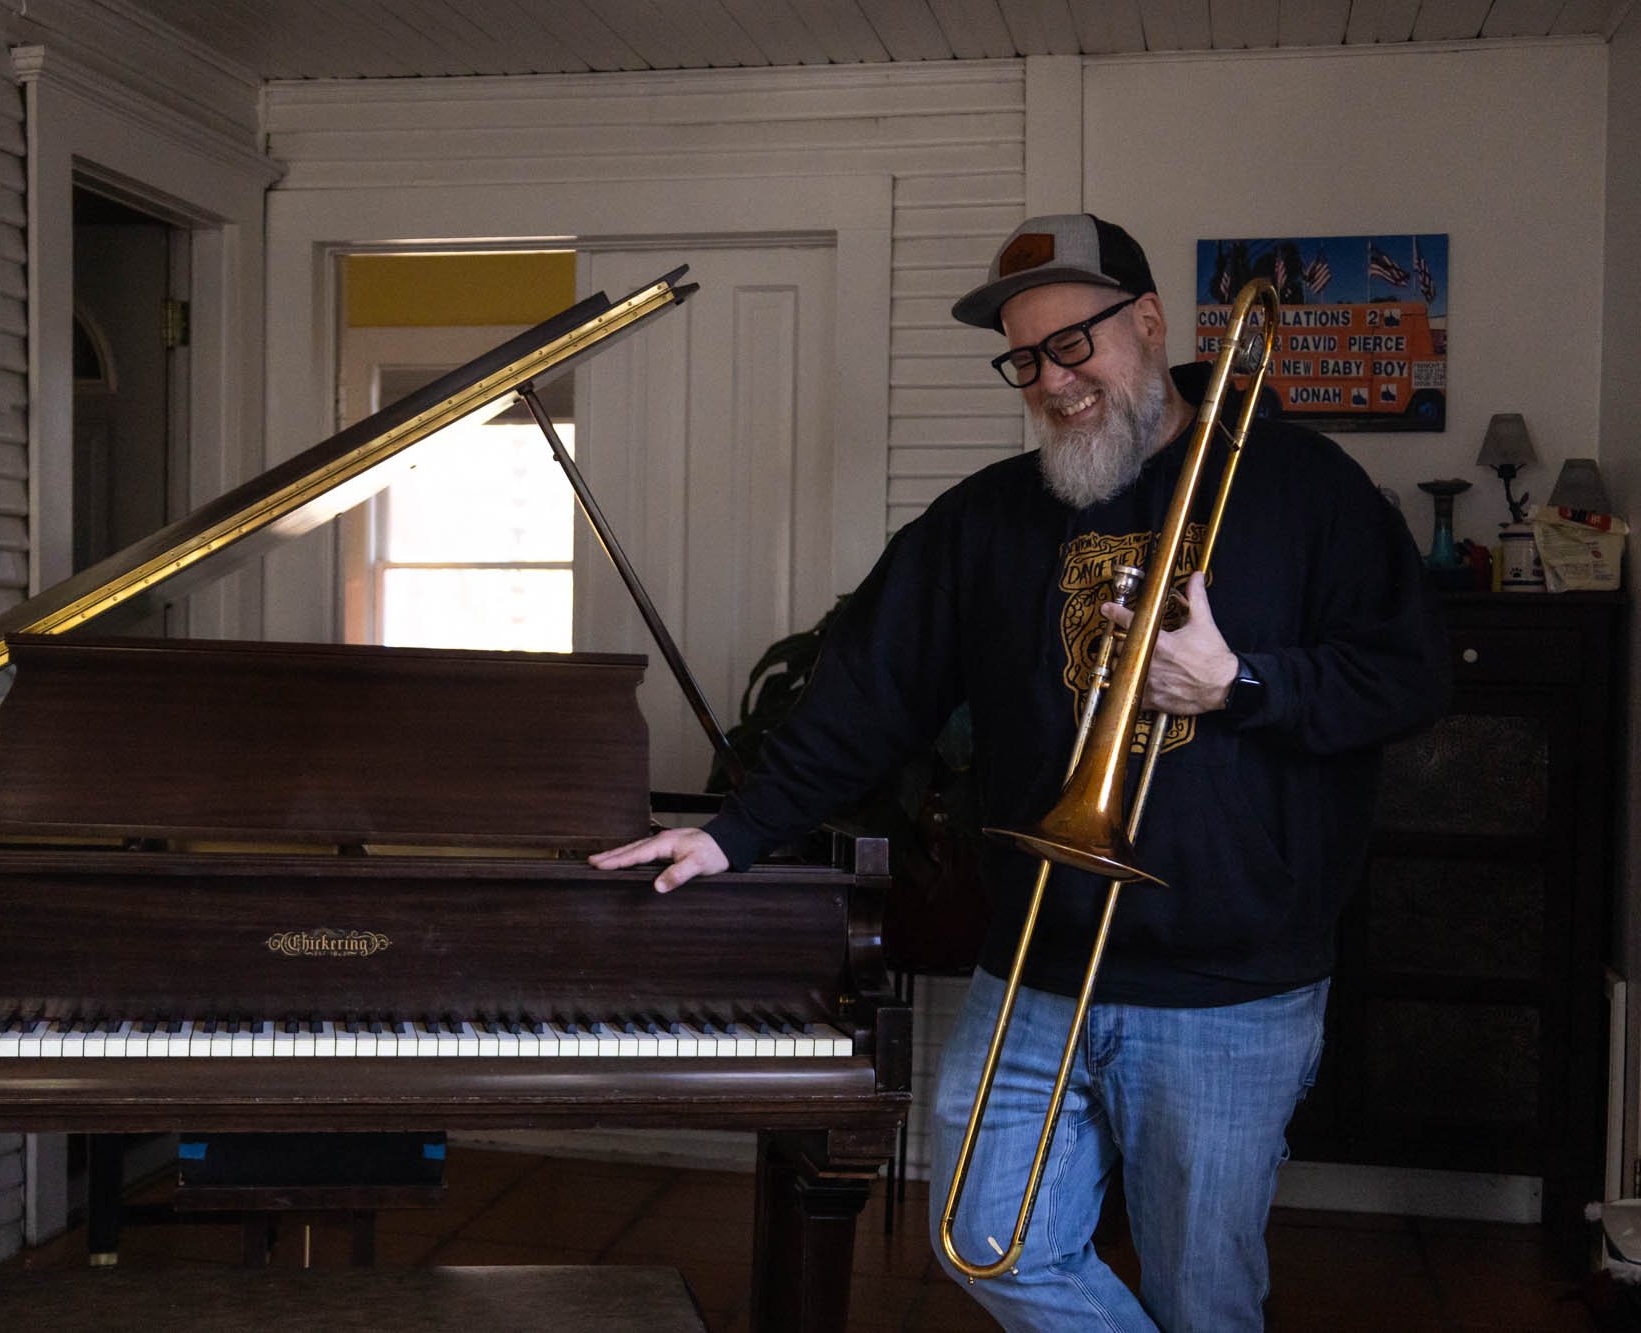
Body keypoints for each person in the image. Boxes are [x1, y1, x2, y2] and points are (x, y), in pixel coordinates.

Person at [590, 213, 1451, 1331]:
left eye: (1071, 344)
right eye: (1024, 358)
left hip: (1229, 990)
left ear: (1145, 320)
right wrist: (730, 833)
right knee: (987, 1243)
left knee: (1203, 1298)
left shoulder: (1303, 489)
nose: (1049, 380)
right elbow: (866, 695)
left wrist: (1240, 686)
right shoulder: (984, 519)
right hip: (1035, 964)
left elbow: (1408, 679)